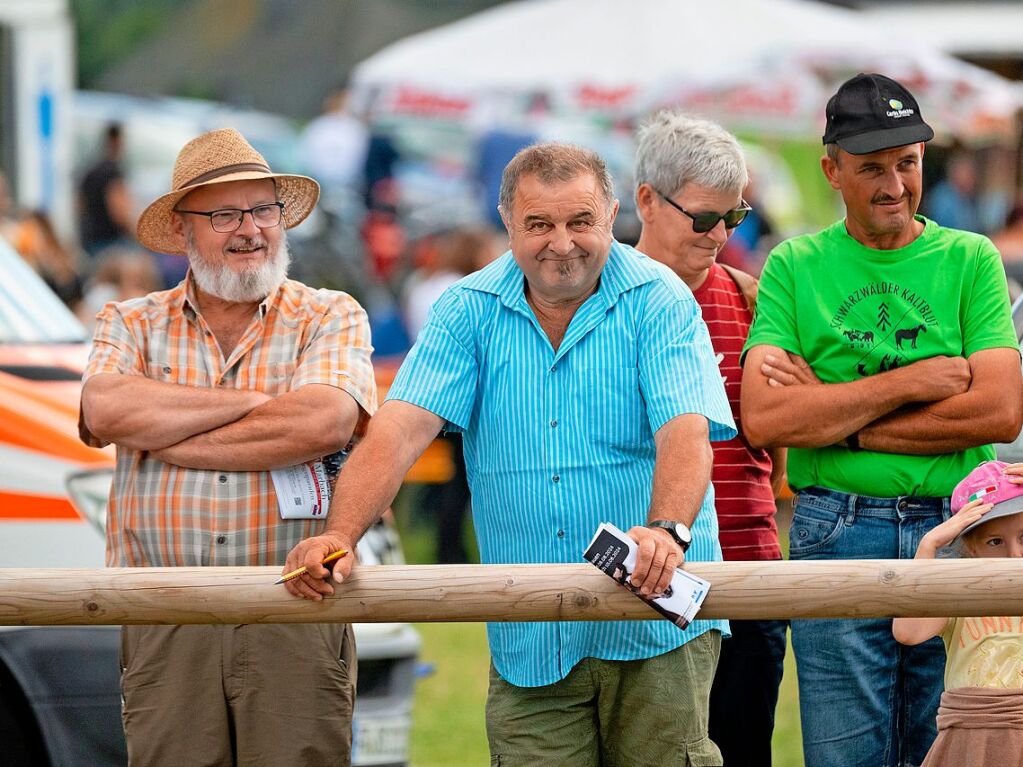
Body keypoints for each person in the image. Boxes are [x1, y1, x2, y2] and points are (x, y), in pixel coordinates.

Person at [285, 142, 736, 766]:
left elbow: (684, 430)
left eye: (581, 222)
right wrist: (339, 534)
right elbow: (397, 431)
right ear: (507, 224)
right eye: (539, 225)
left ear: (610, 217)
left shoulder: (659, 298)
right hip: (531, 633)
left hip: (654, 626)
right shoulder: (466, 310)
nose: (562, 242)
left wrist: (666, 530)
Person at [741, 72, 1023, 767]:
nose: (893, 184)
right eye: (871, 168)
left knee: (954, 743)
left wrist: (836, 417)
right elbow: (765, 414)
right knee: (843, 757)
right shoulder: (794, 264)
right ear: (831, 169)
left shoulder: (969, 258)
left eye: (907, 162)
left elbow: (997, 407)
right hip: (835, 524)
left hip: (963, 527)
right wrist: (922, 381)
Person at [79, 128, 375, 767]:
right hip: (165, 613)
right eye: (223, 214)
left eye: (264, 210)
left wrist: (166, 432)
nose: (251, 230)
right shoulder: (128, 319)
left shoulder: (330, 313)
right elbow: (104, 409)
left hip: (296, 603)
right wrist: (256, 404)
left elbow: (323, 421)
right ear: (184, 232)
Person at [633, 111, 788, 767]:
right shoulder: (605, 301)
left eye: (735, 216)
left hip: (747, 566)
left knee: (745, 746)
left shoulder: (752, 299)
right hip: (653, 570)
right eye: (703, 218)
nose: (721, 234)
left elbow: (777, 443)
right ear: (645, 199)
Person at [893, 460, 1023, 766]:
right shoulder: (960, 595)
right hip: (972, 740)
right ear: (971, 547)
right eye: (995, 541)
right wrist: (929, 545)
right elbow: (908, 632)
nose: (1014, 555)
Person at [78, 122, 135, 256]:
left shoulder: (89, 171)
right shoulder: (113, 172)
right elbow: (119, 212)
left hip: (91, 241)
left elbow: (80, 206)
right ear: (117, 142)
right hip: (112, 242)